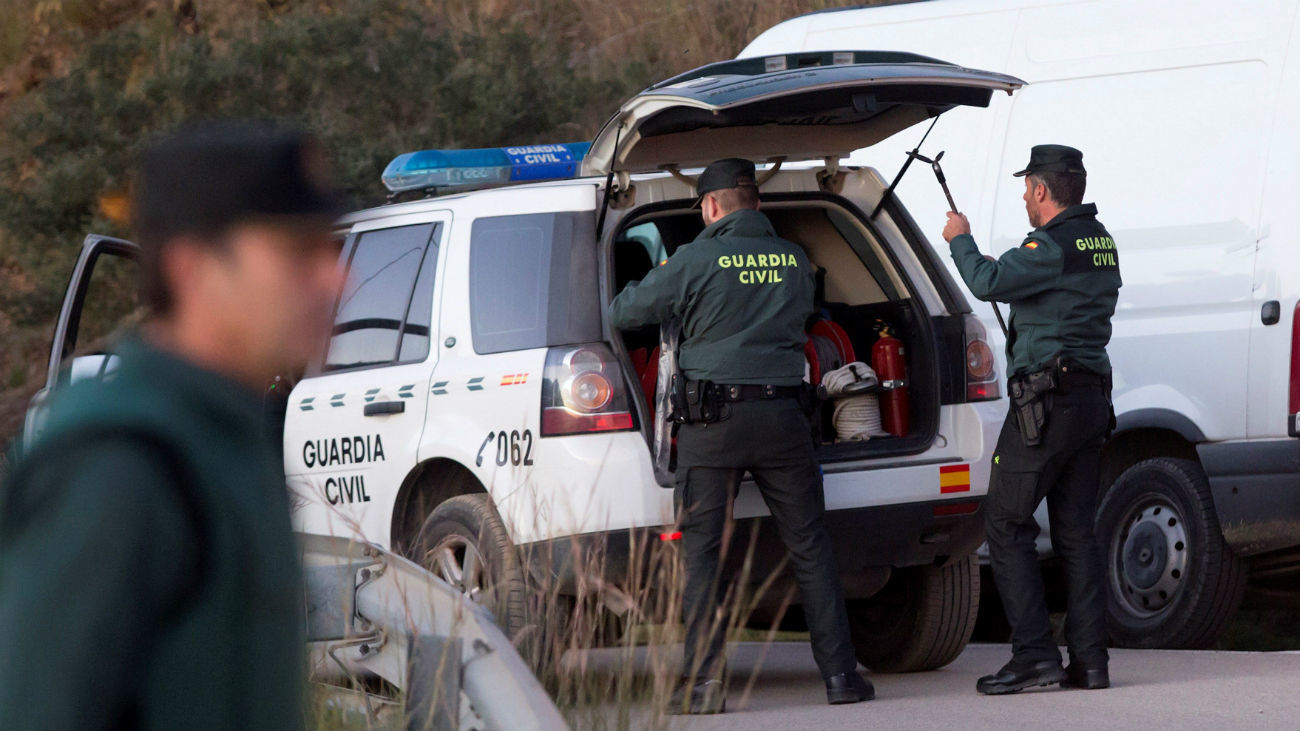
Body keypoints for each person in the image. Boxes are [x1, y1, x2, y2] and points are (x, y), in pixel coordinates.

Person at [0, 121, 347, 729]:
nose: (336, 278)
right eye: (297, 252)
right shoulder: (116, 467)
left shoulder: (229, 437)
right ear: (192, 269)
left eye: (329, 249)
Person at [609, 158, 873, 714]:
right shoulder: (795, 259)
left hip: (714, 426)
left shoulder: (696, 257)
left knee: (703, 554)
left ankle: (704, 687)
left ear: (710, 207)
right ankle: (842, 678)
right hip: (784, 420)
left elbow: (625, 309)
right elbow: (803, 317)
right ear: (755, 203)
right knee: (810, 548)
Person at [942, 144, 1121, 694]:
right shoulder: (1101, 240)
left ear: (1042, 191)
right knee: (1076, 536)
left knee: (1005, 523)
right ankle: (1090, 663)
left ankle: (1034, 658)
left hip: (1048, 405)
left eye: (1026, 188)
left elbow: (988, 282)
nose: (1023, 195)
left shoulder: (1050, 244)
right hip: (1090, 403)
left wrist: (960, 240)